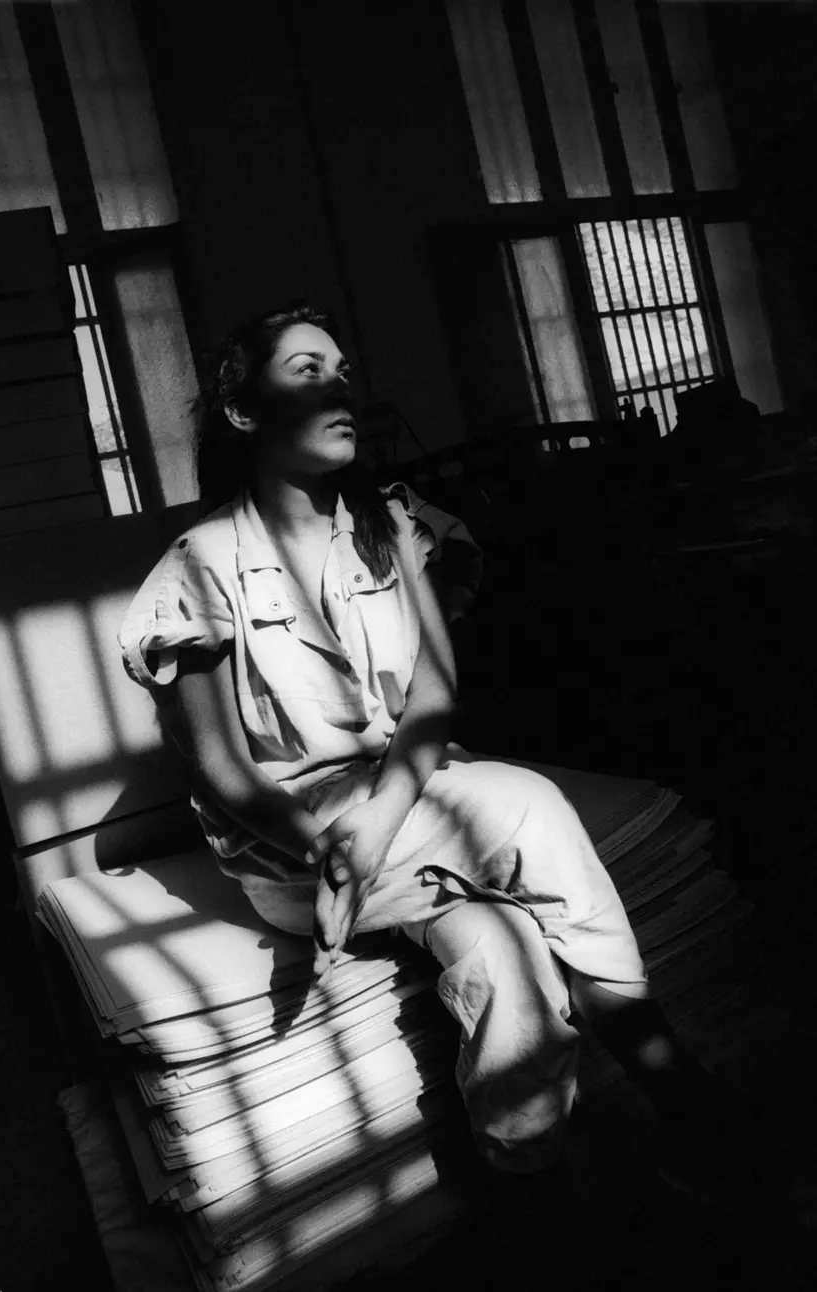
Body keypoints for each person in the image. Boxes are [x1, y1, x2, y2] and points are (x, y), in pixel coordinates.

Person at [118, 299, 750, 1203]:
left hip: (403, 804)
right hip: (290, 848)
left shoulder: (393, 523)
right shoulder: (202, 562)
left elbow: (433, 699)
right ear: (244, 412)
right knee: (525, 805)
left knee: (504, 952)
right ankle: (683, 1096)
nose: (340, 389)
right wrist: (329, 847)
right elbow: (221, 770)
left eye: (343, 371)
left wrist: (378, 822)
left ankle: (527, 1187)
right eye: (307, 371)